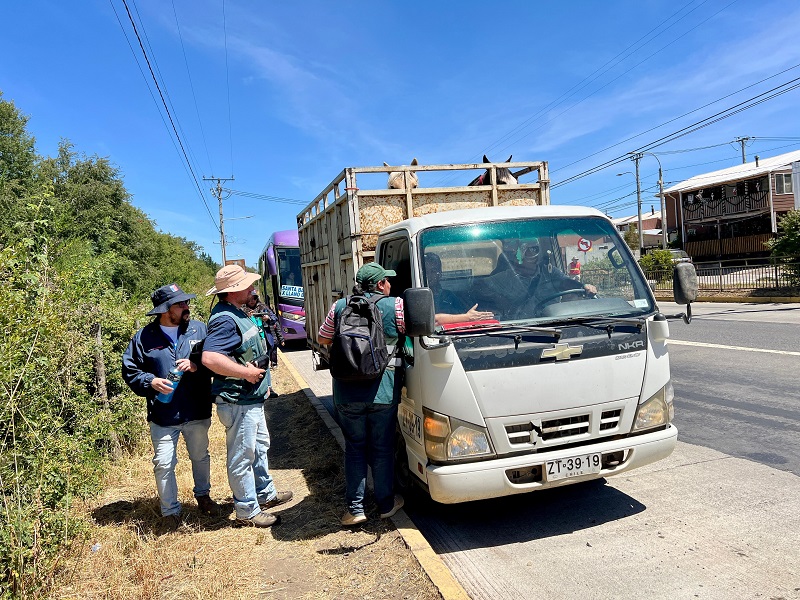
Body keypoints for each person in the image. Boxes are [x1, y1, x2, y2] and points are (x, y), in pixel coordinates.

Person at [202, 265, 293, 528]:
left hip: (249, 399)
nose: (253, 289)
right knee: (242, 455)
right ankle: (247, 510)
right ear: (232, 292)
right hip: (238, 400)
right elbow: (210, 357)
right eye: (247, 285)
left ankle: (265, 494)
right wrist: (245, 373)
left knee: (260, 447)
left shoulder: (235, 313)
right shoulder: (224, 320)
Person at [122, 284, 220, 528]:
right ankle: (170, 513)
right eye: (180, 304)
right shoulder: (144, 337)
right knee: (164, 463)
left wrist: (197, 367)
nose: (186, 307)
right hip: (163, 414)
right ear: (165, 310)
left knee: (200, 457)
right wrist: (151, 381)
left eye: (186, 302)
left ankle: (203, 496)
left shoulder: (199, 329)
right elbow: (130, 369)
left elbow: (217, 359)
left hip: (196, 409)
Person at [317, 263, 406, 526]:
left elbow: (323, 338)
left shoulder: (340, 306)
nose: (390, 284)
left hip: (346, 392)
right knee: (382, 448)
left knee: (355, 449)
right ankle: (386, 504)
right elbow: (416, 328)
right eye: (386, 281)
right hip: (383, 391)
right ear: (380, 284)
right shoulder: (395, 305)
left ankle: (355, 509)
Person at [516, 242, 597, 315]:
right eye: (529, 250)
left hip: (554, 320)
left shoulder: (549, 271)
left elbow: (565, 282)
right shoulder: (508, 277)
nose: (533, 254)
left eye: (535, 250)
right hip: (522, 325)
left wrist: (582, 287)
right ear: (521, 256)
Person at [424, 253, 493, 326]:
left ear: (440, 274)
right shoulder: (419, 297)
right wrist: (466, 317)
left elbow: (466, 312)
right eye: (426, 272)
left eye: (433, 271)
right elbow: (432, 320)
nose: (429, 275)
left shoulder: (448, 296)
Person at [243, 291, 285, 398]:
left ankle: (269, 387)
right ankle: (256, 388)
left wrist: (267, 318)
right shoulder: (242, 310)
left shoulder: (263, 307)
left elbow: (275, 319)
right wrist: (246, 317)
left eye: (254, 299)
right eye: (250, 299)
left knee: (265, 362)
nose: (252, 301)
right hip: (250, 343)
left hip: (263, 340)